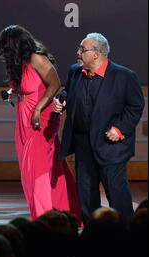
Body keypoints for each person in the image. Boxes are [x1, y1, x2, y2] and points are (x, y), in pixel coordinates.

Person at [53, 32, 145, 225]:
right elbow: (68, 91)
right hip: (83, 145)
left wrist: (119, 129)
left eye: (82, 49)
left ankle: (127, 236)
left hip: (111, 147)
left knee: (117, 197)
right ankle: (92, 236)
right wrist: (61, 101)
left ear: (96, 53)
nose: (77, 52)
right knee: (86, 196)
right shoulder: (75, 72)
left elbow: (135, 107)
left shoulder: (124, 76)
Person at [0, 25, 82, 224]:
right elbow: (25, 89)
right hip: (23, 122)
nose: (4, 52)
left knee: (38, 173)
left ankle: (42, 220)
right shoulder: (19, 63)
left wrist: (37, 109)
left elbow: (54, 84)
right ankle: (65, 213)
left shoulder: (36, 58)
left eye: (6, 47)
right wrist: (11, 94)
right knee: (38, 171)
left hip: (40, 120)